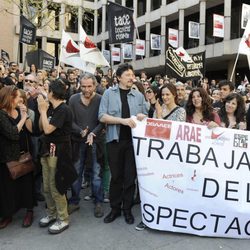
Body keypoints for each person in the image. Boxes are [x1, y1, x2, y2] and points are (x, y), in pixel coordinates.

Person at [98, 63, 148, 225]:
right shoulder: (108, 93)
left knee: (130, 178)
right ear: (118, 77)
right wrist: (122, 121)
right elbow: (102, 117)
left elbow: (146, 117)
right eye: (128, 75)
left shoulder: (139, 96)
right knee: (116, 177)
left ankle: (127, 210)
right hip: (114, 141)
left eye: (132, 75)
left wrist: (142, 116)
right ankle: (115, 209)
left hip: (133, 144)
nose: (132, 78)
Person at [136, 83, 186, 231]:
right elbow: (153, 132)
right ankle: (149, 218)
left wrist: (158, 115)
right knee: (154, 187)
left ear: (174, 95)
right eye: (163, 95)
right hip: (157, 155)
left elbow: (172, 133)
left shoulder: (180, 111)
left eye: (167, 94)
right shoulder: (159, 108)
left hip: (172, 156)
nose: (164, 97)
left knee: (169, 188)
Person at [37, 80, 77, 234]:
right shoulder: (51, 108)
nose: (45, 92)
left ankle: (63, 219)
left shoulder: (63, 109)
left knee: (56, 187)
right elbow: (41, 126)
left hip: (58, 152)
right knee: (46, 187)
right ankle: (52, 214)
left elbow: (47, 130)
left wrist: (42, 111)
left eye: (47, 89)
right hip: (47, 151)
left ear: (52, 92)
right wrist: (44, 111)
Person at [68, 73, 105, 218]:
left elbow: (103, 120)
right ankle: (75, 201)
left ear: (95, 85)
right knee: (76, 172)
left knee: (97, 174)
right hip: (78, 142)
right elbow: (69, 120)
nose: (86, 89)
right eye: (83, 86)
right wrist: (80, 131)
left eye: (89, 86)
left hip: (96, 142)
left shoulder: (101, 99)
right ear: (79, 85)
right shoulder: (73, 99)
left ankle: (98, 202)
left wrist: (92, 133)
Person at [0, 86, 35, 229]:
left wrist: (26, 117)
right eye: (15, 97)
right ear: (8, 98)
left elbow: (31, 131)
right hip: (7, 156)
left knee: (27, 184)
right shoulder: (1, 114)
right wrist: (23, 118)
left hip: (24, 154)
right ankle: (7, 215)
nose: (18, 100)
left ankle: (29, 211)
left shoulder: (20, 111)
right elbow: (13, 134)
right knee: (7, 188)